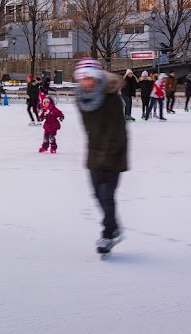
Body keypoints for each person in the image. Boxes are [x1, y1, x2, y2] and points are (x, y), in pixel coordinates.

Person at [74, 58, 128, 255]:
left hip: (113, 153)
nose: (86, 82)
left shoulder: (111, 99)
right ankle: (113, 228)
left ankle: (107, 234)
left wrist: (108, 155)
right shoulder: (81, 99)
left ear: (96, 78)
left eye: (89, 78)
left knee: (107, 194)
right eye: (82, 79)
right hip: (94, 153)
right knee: (97, 194)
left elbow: (118, 132)